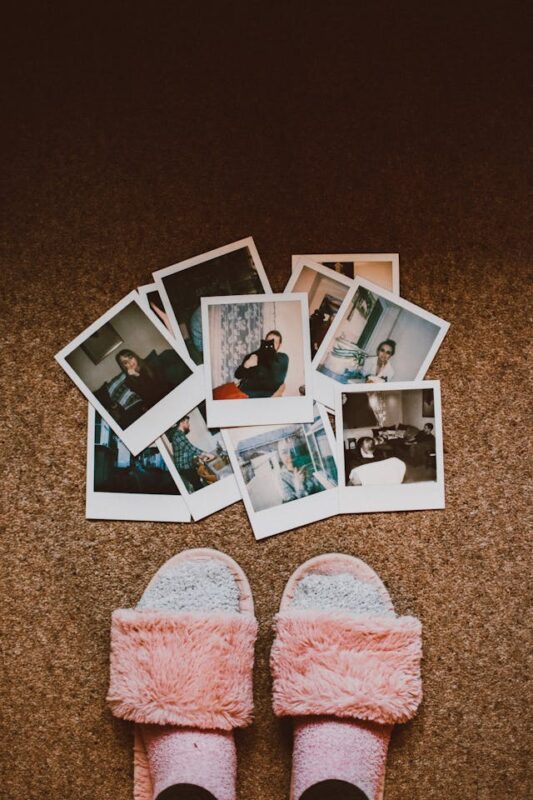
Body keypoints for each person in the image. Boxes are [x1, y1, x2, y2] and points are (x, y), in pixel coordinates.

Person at [234, 330, 289, 398]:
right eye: (269, 341)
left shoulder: (283, 358)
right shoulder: (253, 356)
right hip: (243, 394)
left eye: (275, 342)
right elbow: (237, 375)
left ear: (279, 345)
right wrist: (246, 365)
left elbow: (277, 381)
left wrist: (279, 391)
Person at [170, 416, 213, 491]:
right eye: (187, 422)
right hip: (185, 468)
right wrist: (207, 454)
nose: (188, 424)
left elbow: (187, 450)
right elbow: (190, 448)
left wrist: (200, 456)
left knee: (197, 483)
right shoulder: (178, 436)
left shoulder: (180, 435)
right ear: (181, 423)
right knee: (198, 486)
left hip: (186, 466)